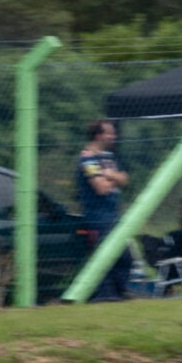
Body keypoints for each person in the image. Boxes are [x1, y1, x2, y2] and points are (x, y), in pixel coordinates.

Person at [74, 118, 129, 301]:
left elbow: (125, 179)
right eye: (109, 133)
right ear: (98, 135)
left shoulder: (109, 157)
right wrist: (114, 179)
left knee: (124, 257)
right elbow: (101, 188)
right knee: (105, 259)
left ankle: (119, 295)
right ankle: (105, 298)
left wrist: (109, 175)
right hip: (98, 218)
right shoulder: (87, 159)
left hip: (114, 215)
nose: (113, 136)